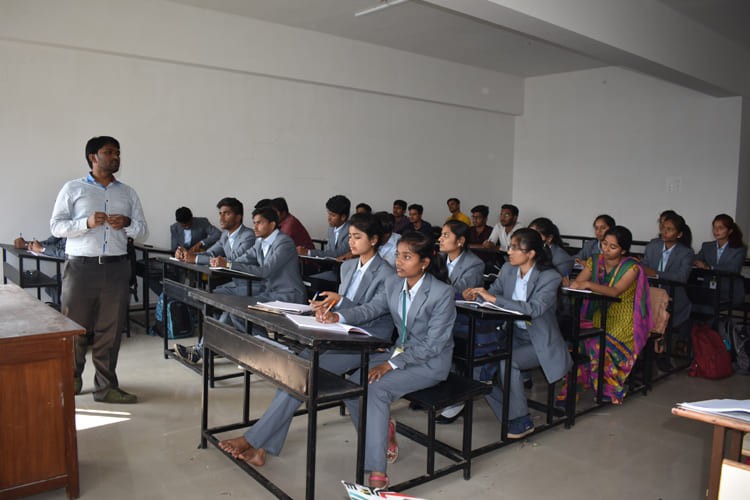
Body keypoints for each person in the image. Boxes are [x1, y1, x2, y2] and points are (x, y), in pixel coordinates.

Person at [216, 213, 395, 469]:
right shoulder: (347, 266)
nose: (351, 243)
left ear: (375, 240)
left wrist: (339, 307)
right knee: (296, 372)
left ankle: (255, 441)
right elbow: (343, 307)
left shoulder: (386, 273)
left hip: (368, 341)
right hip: (341, 333)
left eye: (357, 237)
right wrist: (324, 310)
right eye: (350, 237)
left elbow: (373, 310)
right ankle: (260, 447)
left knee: (301, 374)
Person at [318, 231, 456, 488]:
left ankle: (377, 473)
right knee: (352, 387)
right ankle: (381, 439)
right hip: (399, 353)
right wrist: (340, 317)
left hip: (430, 363)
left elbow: (433, 345)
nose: (399, 262)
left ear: (424, 262)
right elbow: (371, 309)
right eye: (397, 256)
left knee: (376, 388)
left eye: (407, 257)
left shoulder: (441, 293)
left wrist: (391, 363)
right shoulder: (394, 283)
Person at [50, 136, 147, 403]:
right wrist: (86, 222)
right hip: (81, 268)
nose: (116, 157)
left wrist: (127, 222)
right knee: (73, 327)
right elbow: (56, 227)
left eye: (118, 152)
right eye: (109, 152)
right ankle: (70, 379)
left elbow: (142, 229)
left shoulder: (128, 192)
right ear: (93, 157)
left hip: (116, 269)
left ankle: (106, 387)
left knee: (111, 330)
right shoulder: (73, 188)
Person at [464, 228, 572, 438]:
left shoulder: (550, 276)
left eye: (515, 248)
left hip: (540, 341)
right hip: (511, 335)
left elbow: (535, 309)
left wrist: (493, 299)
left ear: (531, 253)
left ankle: (520, 420)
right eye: (510, 246)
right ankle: (511, 413)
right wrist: (475, 295)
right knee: (479, 365)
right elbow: (493, 294)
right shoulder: (508, 269)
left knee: (507, 362)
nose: (509, 252)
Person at [561, 226, 652, 404]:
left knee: (599, 343)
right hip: (598, 312)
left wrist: (588, 284)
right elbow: (578, 283)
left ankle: (608, 388)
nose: (606, 249)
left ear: (623, 250)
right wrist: (570, 283)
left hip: (625, 317)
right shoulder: (594, 261)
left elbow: (615, 291)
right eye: (604, 244)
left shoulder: (631, 267)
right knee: (580, 342)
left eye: (613, 247)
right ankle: (574, 388)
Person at [173, 197, 256, 363]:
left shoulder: (248, 236)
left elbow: (233, 260)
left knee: (225, 309)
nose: (221, 217)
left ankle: (200, 352)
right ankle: (218, 344)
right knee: (208, 299)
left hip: (251, 286)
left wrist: (194, 259)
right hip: (235, 285)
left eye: (226, 213)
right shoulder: (226, 235)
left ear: (238, 217)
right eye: (220, 213)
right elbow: (211, 253)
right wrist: (188, 256)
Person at [434, 220, 486, 424]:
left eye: (446, 235)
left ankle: (456, 402)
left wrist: (438, 287)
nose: (440, 238)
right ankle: (430, 387)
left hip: (461, 319)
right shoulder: (439, 258)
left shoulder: (474, 264)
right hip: (440, 315)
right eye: (441, 234)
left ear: (461, 241)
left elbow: (459, 293)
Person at [640, 212, 694, 370]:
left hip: (674, 296)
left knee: (664, 314)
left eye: (669, 229)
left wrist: (656, 274)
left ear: (679, 234)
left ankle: (662, 354)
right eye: (663, 228)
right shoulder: (652, 246)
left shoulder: (686, 252)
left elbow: (682, 277)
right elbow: (644, 267)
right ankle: (645, 354)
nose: (664, 232)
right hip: (651, 294)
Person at [693, 213, 746, 307]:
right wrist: (695, 261)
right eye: (714, 227)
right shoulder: (707, 246)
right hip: (709, 288)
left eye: (721, 228)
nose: (716, 231)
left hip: (729, 290)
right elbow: (696, 259)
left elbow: (734, 269)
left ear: (730, 231)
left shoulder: (739, 248)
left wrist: (710, 267)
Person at [14, 235, 67, 303]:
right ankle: (58, 308)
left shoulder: (79, 233)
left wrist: (42, 249)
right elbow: (48, 242)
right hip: (72, 271)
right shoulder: (63, 231)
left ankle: (59, 311)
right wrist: (27, 244)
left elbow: (65, 254)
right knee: (51, 283)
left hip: (81, 272)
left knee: (54, 283)